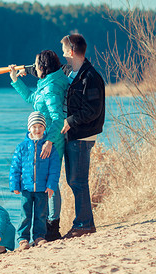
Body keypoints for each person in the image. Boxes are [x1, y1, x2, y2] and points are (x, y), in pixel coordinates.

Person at [22, 34, 105, 238]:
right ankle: (82, 223)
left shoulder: (89, 77)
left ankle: (84, 224)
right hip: (74, 134)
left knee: (78, 181)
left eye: (64, 50)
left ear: (72, 52)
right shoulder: (71, 72)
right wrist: (25, 70)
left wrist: (69, 121)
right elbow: (47, 70)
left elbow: (93, 110)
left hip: (82, 135)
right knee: (74, 181)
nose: (62, 54)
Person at [9, 50, 68, 241]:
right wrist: (16, 80)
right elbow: (33, 100)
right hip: (44, 138)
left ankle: (52, 227)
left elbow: (59, 118)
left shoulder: (50, 88)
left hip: (50, 141)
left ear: (43, 67)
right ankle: (47, 229)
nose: (34, 67)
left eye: (36, 65)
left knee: (51, 184)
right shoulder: (47, 82)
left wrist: (49, 141)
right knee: (46, 182)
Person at [9, 111, 61, 250]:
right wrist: (15, 185)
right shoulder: (22, 147)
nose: (37, 130)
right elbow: (15, 168)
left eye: (40, 126)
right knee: (25, 214)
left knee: (41, 214)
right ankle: (23, 239)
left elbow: (54, 169)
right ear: (29, 128)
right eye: (34, 126)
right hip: (26, 188)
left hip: (42, 188)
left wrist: (51, 186)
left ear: (44, 128)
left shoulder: (50, 147)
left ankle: (39, 237)